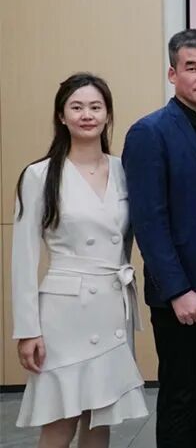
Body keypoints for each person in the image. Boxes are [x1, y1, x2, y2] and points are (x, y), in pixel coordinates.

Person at [12, 73, 147, 447]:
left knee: (100, 417)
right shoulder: (39, 175)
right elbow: (23, 258)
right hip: (64, 313)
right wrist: (28, 330)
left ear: (107, 115)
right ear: (61, 115)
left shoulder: (123, 170)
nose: (87, 115)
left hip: (111, 306)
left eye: (95, 107)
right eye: (77, 107)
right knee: (60, 417)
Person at [122, 29, 196, 448]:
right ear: (173, 74)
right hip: (181, 297)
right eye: (192, 68)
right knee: (180, 397)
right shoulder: (149, 132)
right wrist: (178, 290)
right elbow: (149, 220)